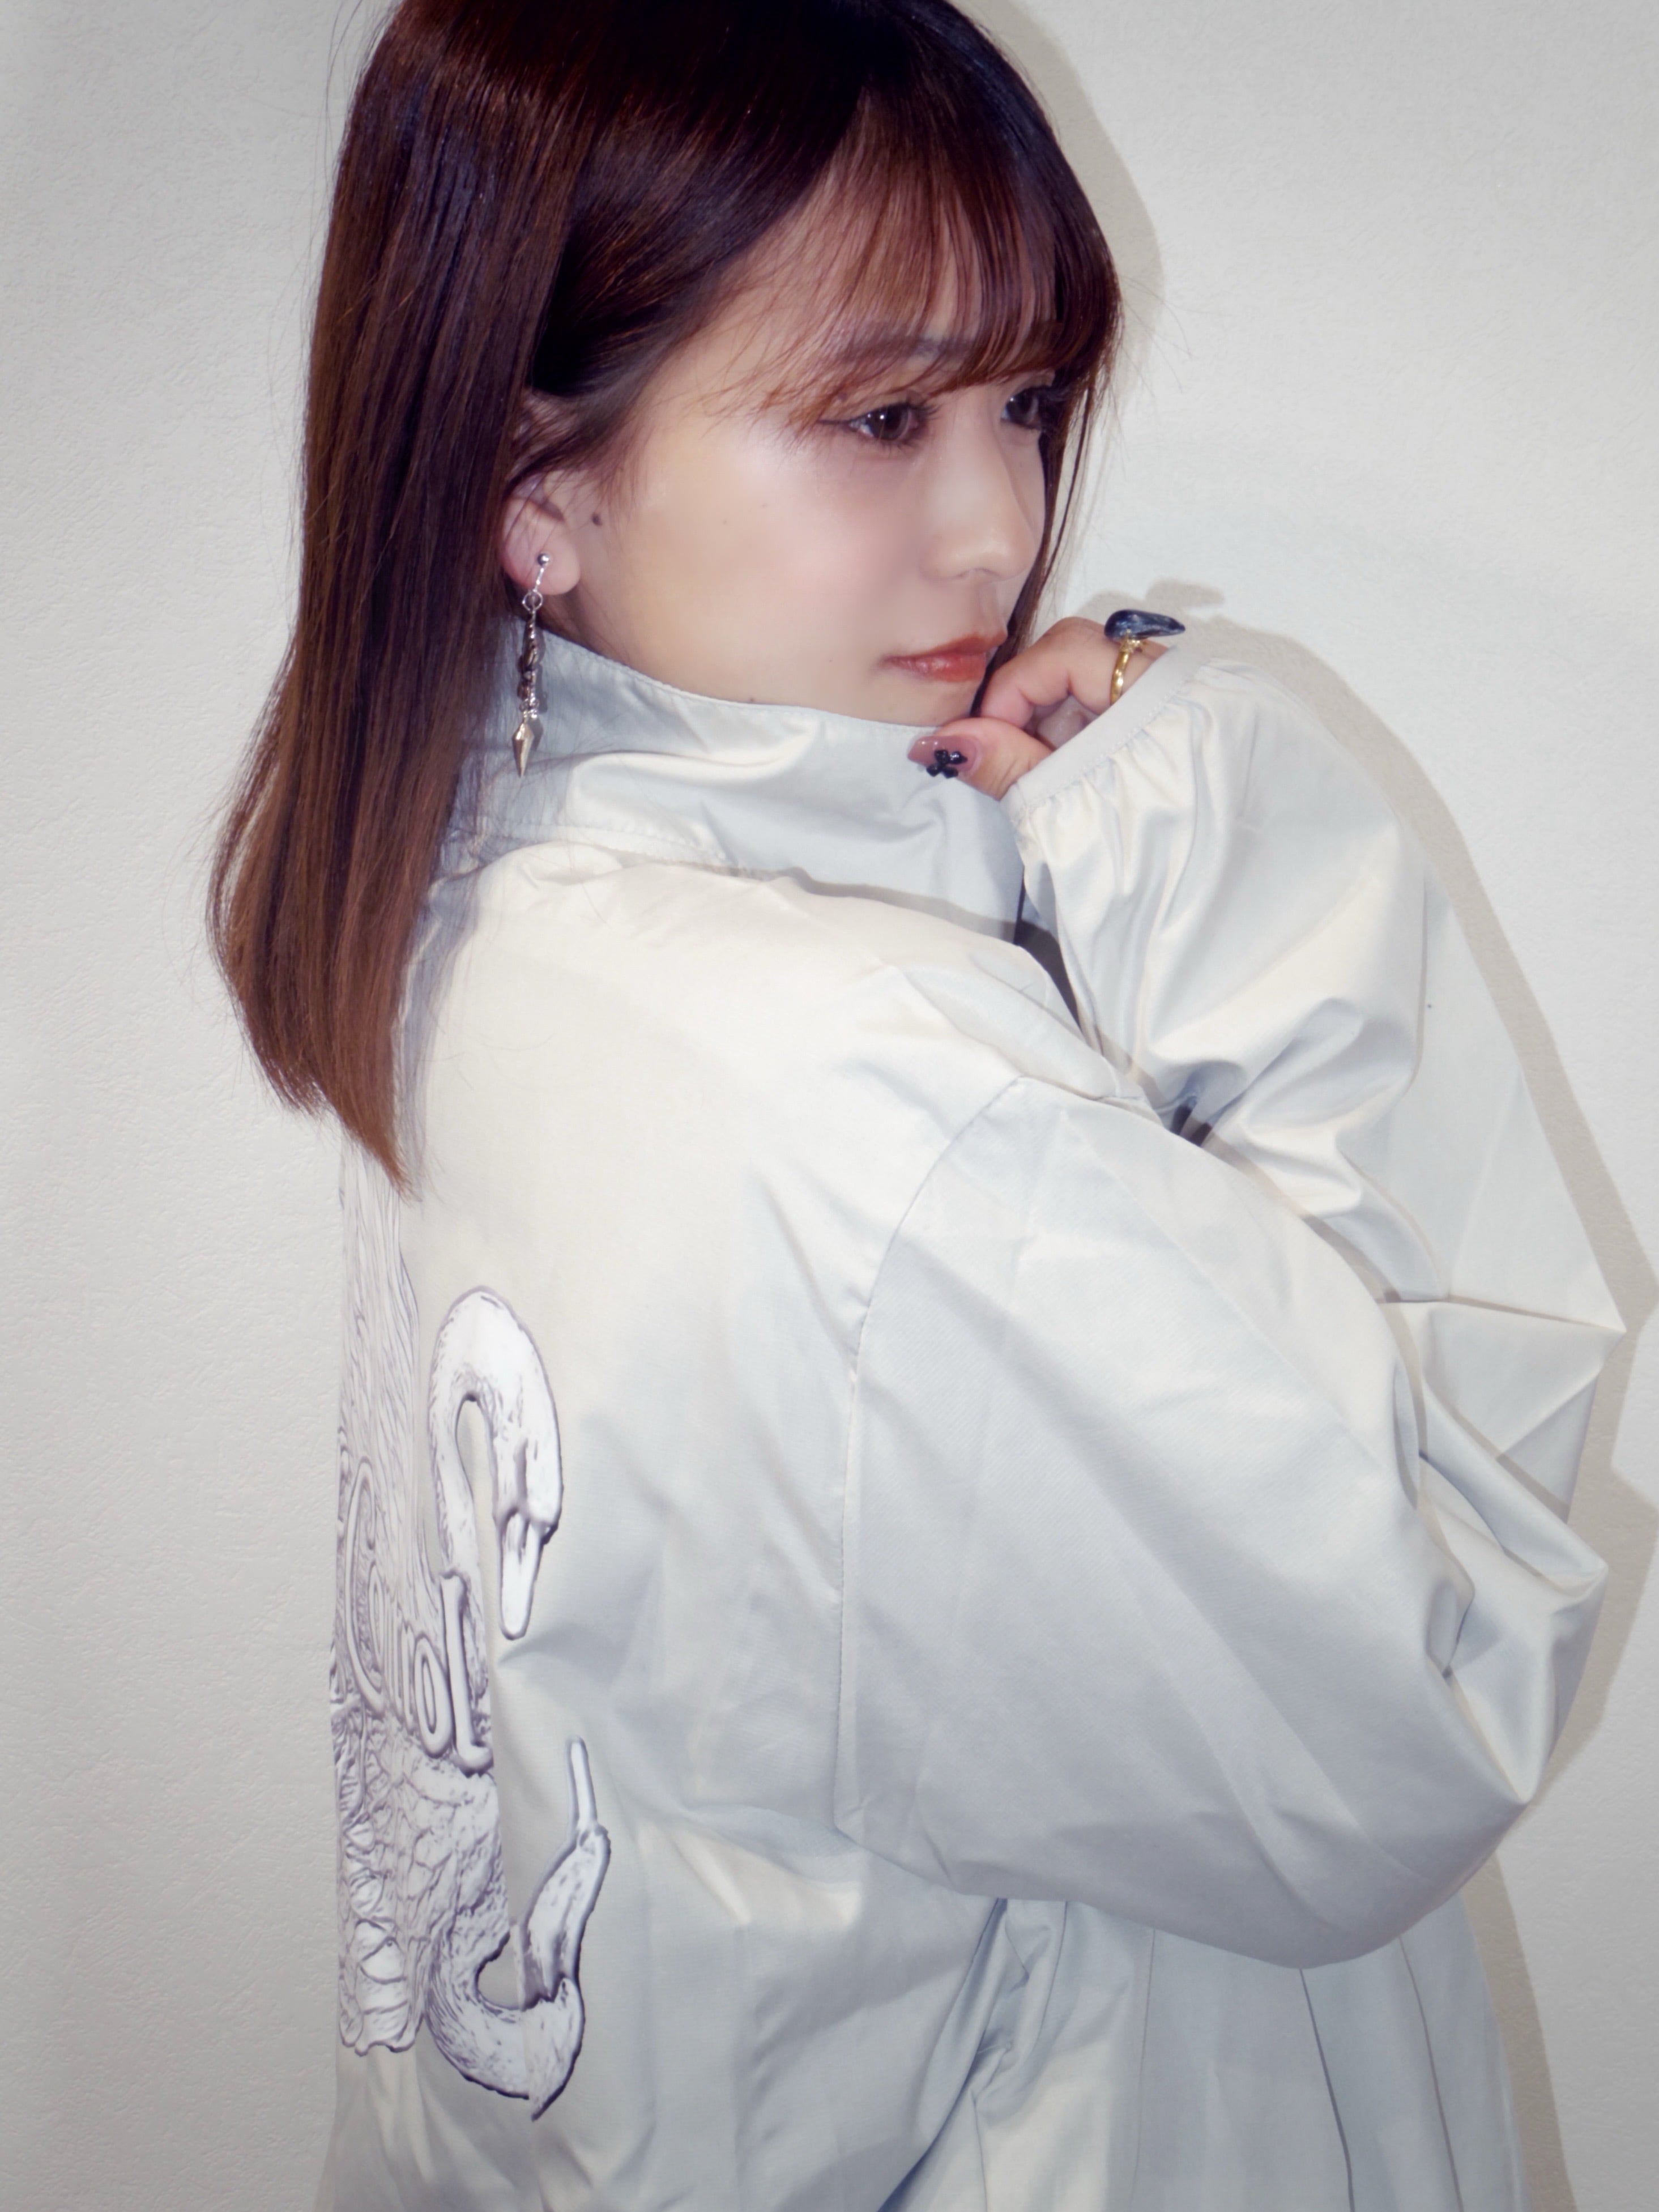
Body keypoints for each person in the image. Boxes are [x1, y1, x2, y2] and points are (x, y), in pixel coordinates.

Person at [210, 3, 1621, 2205]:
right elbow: (1425, 1687)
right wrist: (1235, 838)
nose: (997, 524)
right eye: (878, 416)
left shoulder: (477, 929)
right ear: (536, 485)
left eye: (1024, 403)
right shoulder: (862, 1087)